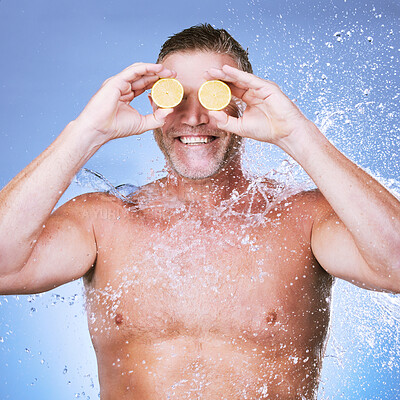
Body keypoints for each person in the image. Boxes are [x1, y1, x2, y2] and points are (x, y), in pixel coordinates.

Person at [0, 23, 399, 399]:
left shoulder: (302, 219)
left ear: (243, 104)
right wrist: (86, 132)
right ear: (155, 103)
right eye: (176, 96)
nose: (193, 118)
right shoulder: (104, 221)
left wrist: (298, 134)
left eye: (215, 95)